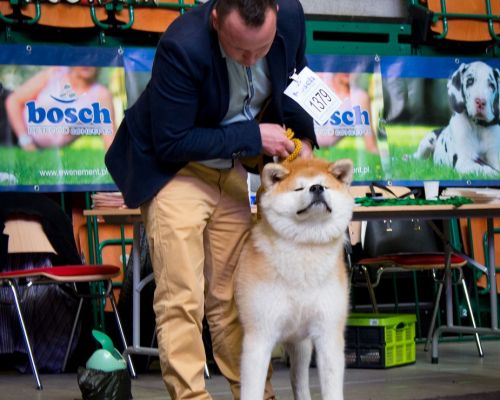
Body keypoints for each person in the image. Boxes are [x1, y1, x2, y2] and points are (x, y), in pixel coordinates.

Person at [105, 0, 316, 398]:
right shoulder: (182, 46)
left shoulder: (290, 16)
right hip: (175, 171)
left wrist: (303, 138)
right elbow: (172, 141)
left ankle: (256, 393)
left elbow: (296, 80)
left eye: (262, 49)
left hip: (230, 167)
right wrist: (254, 137)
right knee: (181, 299)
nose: (252, 60)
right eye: (240, 51)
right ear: (217, 19)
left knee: (236, 298)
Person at [5, 66, 115, 151]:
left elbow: (109, 138)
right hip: (9, 125)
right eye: (81, 56)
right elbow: (13, 101)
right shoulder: (54, 74)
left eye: (92, 57)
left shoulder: (102, 94)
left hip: (43, 149)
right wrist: (26, 141)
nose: (86, 63)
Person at [315, 72, 379, 154]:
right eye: (343, 63)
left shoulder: (359, 97)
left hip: (318, 146)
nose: (347, 70)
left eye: (352, 65)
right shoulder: (322, 77)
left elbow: (371, 145)